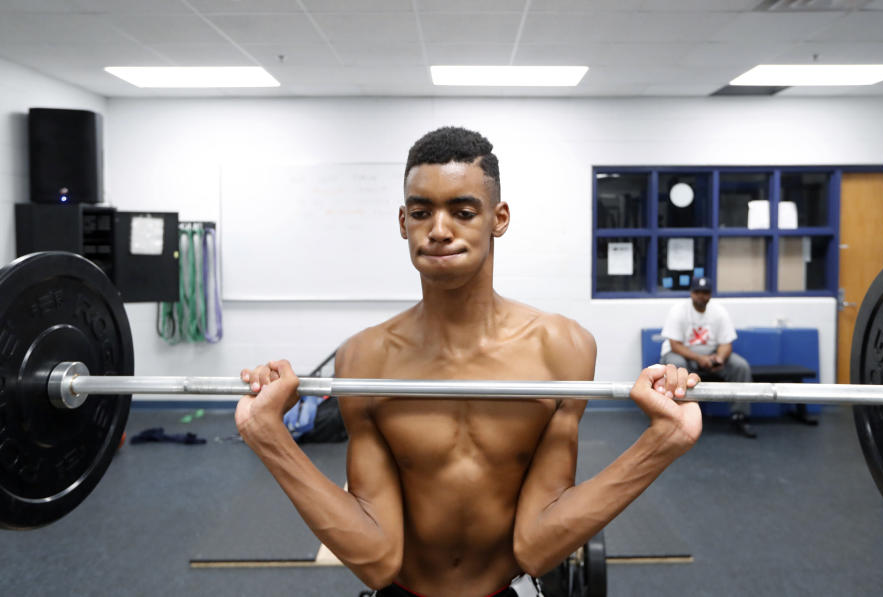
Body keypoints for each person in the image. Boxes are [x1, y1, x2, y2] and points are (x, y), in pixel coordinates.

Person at [234, 127, 703, 597]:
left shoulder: (562, 349)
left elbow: (538, 546)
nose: (439, 230)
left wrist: (664, 441)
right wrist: (268, 435)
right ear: (403, 221)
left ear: (498, 218)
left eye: (462, 211)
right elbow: (375, 557)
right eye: (421, 213)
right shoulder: (364, 357)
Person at [660, 276, 756, 438]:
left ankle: (740, 416)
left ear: (710, 294)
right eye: (697, 292)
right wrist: (699, 359)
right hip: (682, 353)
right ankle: (672, 417)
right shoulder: (678, 310)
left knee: (741, 366)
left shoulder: (719, 312)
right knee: (676, 365)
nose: (701, 296)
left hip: (711, 355)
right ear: (691, 293)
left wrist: (719, 358)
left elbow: (726, 343)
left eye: (705, 292)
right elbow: (675, 344)